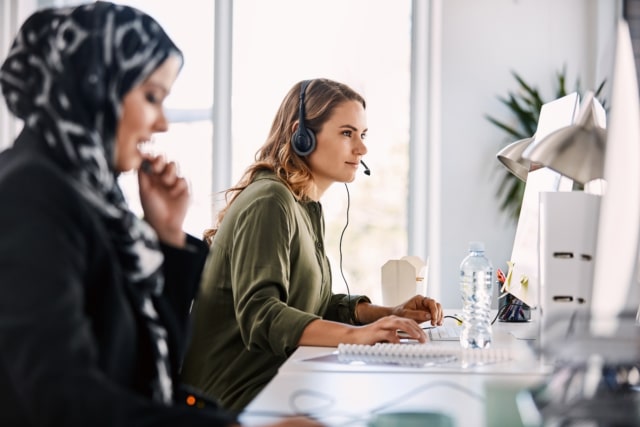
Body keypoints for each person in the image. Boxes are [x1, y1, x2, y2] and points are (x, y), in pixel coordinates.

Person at [0, 3, 322, 427]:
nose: (163, 124)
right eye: (152, 97)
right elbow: (61, 398)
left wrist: (166, 236)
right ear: (96, 85)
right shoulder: (31, 193)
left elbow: (150, 368)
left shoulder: (91, 194)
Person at [180, 78, 445, 411]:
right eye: (347, 133)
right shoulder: (270, 200)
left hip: (275, 384)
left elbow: (311, 306)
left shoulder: (302, 206)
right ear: (301, 135)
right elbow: (261, 315)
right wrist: (358, 336)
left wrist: (388, 314)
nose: (361, 149)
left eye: (362, 135)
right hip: (235, 400)